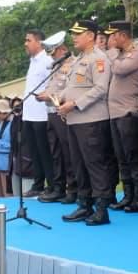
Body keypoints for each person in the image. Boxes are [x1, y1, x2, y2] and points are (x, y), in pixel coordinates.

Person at [56, 20, 114, 226]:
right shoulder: (79, 59)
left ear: (91, 36)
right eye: (73, 33)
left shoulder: (99, 59)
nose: (74, 37)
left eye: (78, 33)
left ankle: (101, 208)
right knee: (79, 164)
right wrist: (60, 98)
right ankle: (84, 204)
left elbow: (100, 88)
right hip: (74, 120)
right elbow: (72, 86)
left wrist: (74, 104)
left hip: (91, 120)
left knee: (95, 164)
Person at [105, 20, 138, 212]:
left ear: (123, 36)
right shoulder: (120, 55)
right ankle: (128, 195)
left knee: (134, 157)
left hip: (129, 113)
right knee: (122, 157)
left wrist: (112, 52)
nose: (111, 40)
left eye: (113, 36)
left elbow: (119, 69)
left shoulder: (137, 54)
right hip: (115, 113)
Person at [36, 41, 76, 204]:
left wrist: (51, 96)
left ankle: (73, 189)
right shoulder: (55, 67)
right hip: (51, 113)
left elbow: (70, 90)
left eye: (54, 53)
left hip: (63, 113)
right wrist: (44, 94)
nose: (52, 57)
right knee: (56, 153)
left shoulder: (73, 65)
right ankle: (59, 187)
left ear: (63, 49)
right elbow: (53, 87)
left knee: (68, 153)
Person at [20, 30, 57, 199]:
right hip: (29, 113)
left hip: (42, 114)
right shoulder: (33, 61)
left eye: (29, 40)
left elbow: (51, 85)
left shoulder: (47, 61)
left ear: (39, 42)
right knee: (34, 151)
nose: (25, 44)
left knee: (44, 151)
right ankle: (38, 183)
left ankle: (52, 185)